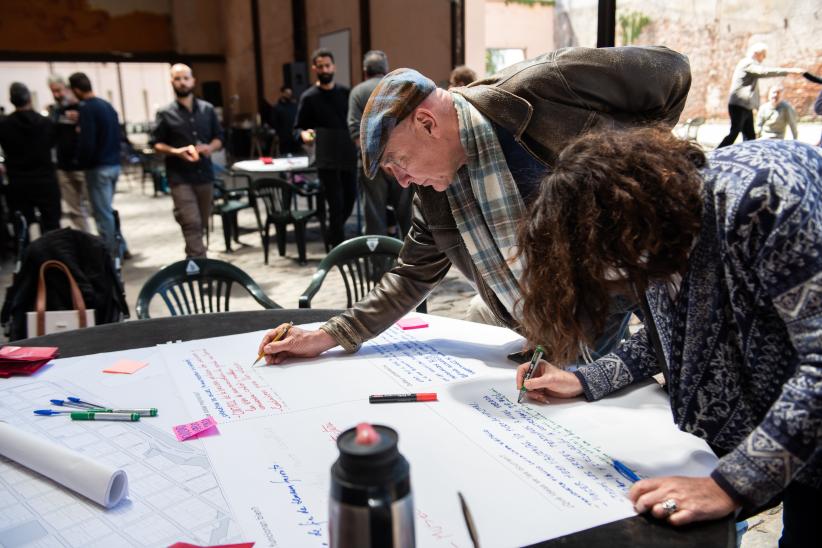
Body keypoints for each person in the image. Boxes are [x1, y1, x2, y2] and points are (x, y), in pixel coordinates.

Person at [258, 46, 692, 364]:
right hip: (550, 320)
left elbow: (671, 71)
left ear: (427, 123)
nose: (405, 181)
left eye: (398, 162)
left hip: (633, 283)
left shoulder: (541, 88)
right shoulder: (435, 195)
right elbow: (410, 276)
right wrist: (331, 334)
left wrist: (642, 164)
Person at [514, 127, 820, 546]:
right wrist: (586, 379)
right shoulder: (662, 227)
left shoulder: (765, 196)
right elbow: (673, 335)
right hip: (796, 447)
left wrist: (728, 485)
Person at [151, 64, 224, 258]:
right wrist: (176, 151)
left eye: (185, 78)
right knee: (191, 221)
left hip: (204, 174)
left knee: (201, 221)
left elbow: (219, 137)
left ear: (193, 80)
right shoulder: (165, 113)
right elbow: (156, 144)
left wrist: (210, 147)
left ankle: (193, 258)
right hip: (179, 176)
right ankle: (200, 267)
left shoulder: (207, 109)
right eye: (177, 78)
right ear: (172, 82)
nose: (182, 82)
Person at [294, 48, 358, 248]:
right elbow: (297, 128)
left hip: (347, 153)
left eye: (327, 65)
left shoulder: (346, 93)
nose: (325, 69)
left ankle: (332, 235)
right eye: (320, 66)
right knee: (335, 201)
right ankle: (337, 246)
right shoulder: (309, 97)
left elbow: (355, 121)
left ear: (334, 67)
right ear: (315, 68)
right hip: (325, 155)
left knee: (350, 197)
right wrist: (303, 134)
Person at [348, 50, 412, 238]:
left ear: (365, 70)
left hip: (372, 166)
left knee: (374, 216)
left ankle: (377, 263)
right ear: (386, 70)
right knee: (407, 216)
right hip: (403, 162)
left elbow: (355, 132)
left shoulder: (358, 92)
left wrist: (381, 159)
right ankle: (410, 262)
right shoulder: (400, 88)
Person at [69, 72, 129, 259]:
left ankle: (111, 254)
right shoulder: (106, 105)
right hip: (113, 164)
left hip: (99, 167)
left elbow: (88, 142)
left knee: (102, 213)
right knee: (107, 210)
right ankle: (121, 247)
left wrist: (79, 161)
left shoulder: (87, 108)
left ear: (76, 90)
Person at [717, 43, 804, 148]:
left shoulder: (749, 64)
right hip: (739, 105)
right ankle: (715, 154)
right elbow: (763, 72)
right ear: (757, 53)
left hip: (746, 106)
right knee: (734, 132)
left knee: (750, 137)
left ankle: (749, 157)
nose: (764, 58)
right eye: (763, 55)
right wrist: (789, 71)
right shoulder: (747, 63)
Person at [0, 83, 61, 231]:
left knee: (22, 226)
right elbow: (53, 146)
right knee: (51, 225)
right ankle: (52, 253)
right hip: (45, 179)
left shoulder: (4, 124)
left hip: (18, 181)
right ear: (29, 98)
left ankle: (26, 253)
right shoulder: (45, 123)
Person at [47, 74, 90, 232]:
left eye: (59, 90)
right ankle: (87, 245)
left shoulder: (83, 106)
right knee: (74, 211)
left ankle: (113, 247)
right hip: (64, 166)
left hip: (83, 166)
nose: (56, 95)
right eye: (53, 91)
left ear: (67, 88)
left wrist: (81, 120)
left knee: (96, 208)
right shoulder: (56, 111)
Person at [270, 86, 301, 156]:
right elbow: (274, 122)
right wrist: (279, 133)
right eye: (287, 93)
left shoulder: (295, 106)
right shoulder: (277, 107)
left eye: (290, 93)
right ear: (282, 93)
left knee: (297, 156)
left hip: (295, 136)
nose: (289, 95)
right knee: (285, 156)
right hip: (284, 137)